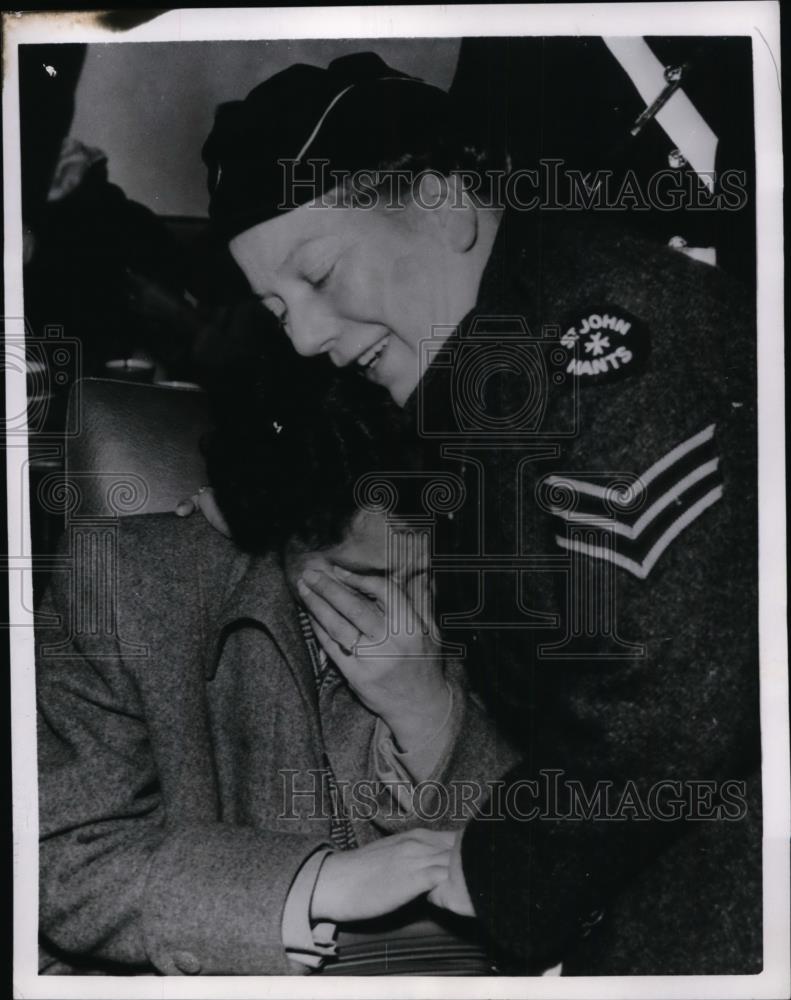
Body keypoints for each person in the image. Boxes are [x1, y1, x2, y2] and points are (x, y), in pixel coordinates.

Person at [194, 50, 762, 974]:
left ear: (442, 204)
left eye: (321, 274)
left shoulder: (607, 348)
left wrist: (498, 865)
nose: (304, 335)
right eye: (274, 306)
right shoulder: (497, 360)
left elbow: (669, 703)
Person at [36, 340, 514, 975]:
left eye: (427, 573)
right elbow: (67, 861)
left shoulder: (490, 588)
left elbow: (543, 857)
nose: (407, 619)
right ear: (273, 529)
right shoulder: (122, 583)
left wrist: (425, 710)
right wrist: (317, 884)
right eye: (365, 579)